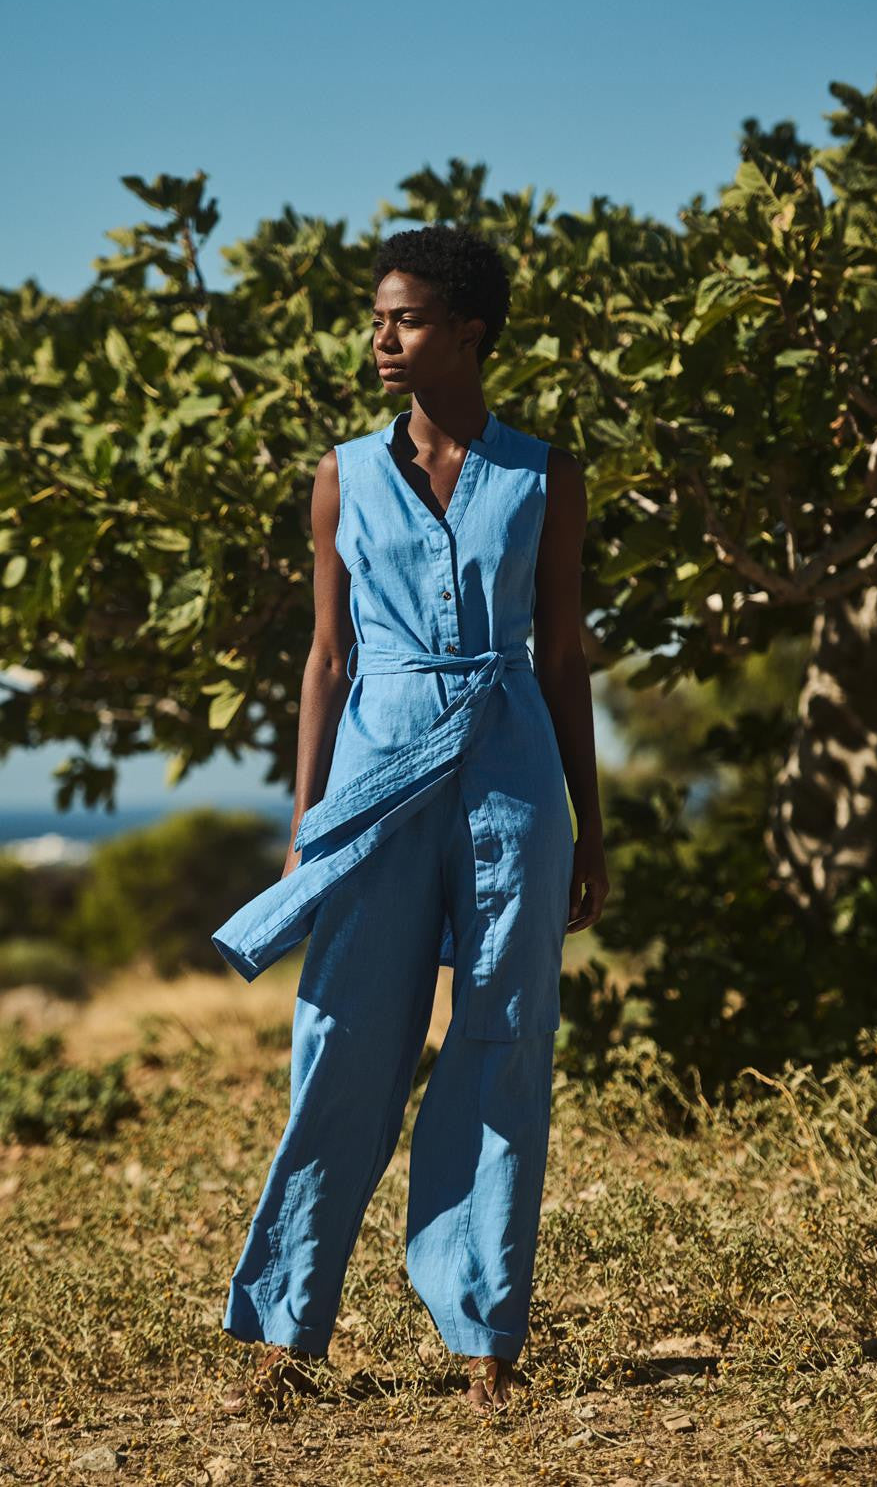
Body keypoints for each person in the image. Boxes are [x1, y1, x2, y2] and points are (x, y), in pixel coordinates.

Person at [212, 223, 608, 1415]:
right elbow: (326, 659)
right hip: (376, 777)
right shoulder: (342, 471)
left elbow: (565, 656)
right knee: (341, 1041)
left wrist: (588, 823)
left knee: (501, 1045)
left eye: (408, 319)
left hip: (511, 778)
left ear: (469, 333)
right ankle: (291, 1334)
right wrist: (304, 825)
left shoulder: (545, 474)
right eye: (379, 317)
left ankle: (484, 1342)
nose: (382, 339)